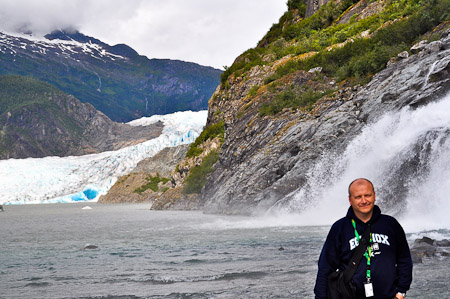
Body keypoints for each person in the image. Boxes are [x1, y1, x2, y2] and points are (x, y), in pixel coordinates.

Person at [314, 178, 413, 299]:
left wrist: (401, 291)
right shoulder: (339, 228)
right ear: (350, 200)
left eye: (368, 195)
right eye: (358, 197)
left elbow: (404, 259)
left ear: (374, 196)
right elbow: (325, 267)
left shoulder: (391, 224)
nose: (364, 200)